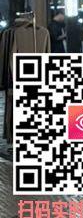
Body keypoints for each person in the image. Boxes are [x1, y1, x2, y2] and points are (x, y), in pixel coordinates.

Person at [1, 10, 51, 141]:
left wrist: (12, 78)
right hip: (38, 75)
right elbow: (48, 55)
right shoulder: (44, 33)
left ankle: (14, 135)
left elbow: (10, 58)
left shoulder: (15, 33)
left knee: (15, 107)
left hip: (19, 76)